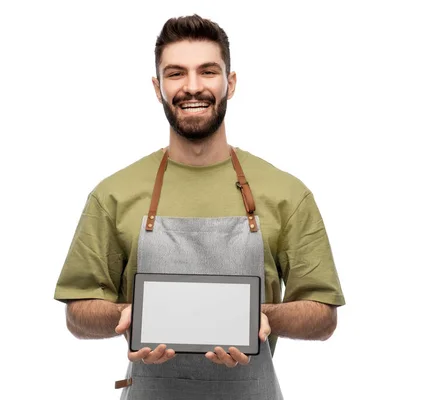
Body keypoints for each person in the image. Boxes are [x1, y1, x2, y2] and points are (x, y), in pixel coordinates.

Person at [54, 14, 345, 400]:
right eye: (176, 74)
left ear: (231, 82)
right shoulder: (114, 194)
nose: (192, 87)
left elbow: (323, 316)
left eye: (208, 71)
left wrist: (260, 319)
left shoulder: (286, 193)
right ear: (158, 88)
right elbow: (77, 313)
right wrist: (125, 315)